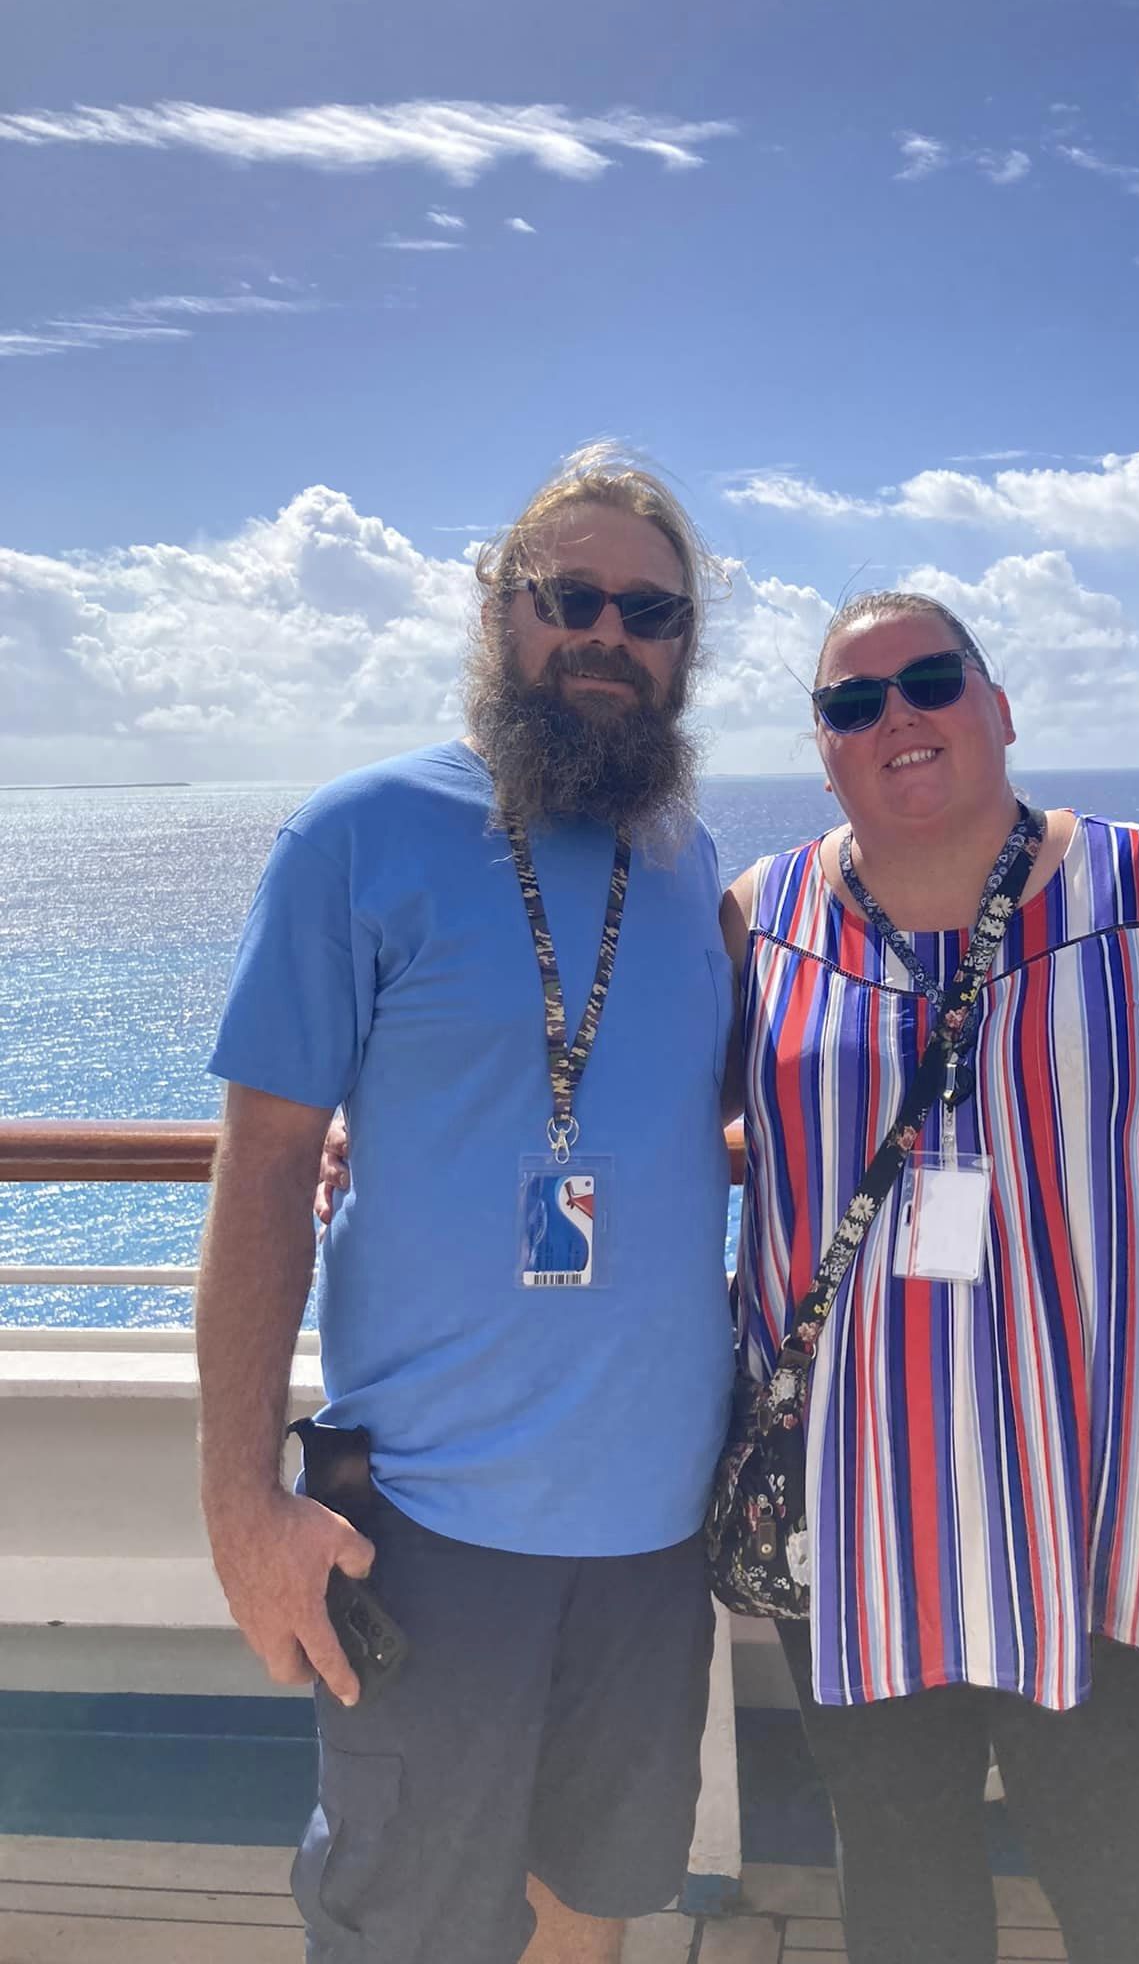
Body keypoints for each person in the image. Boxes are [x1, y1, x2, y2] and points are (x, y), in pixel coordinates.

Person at [719, 590, 1139, 1964]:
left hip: (1097, 1485)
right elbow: (653, 1123)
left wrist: (1134, 1226)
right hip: (855, 1505)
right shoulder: (759, 923)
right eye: (852, 701)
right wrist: (390, 1140)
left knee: (1135, 1884)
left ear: (998, 709)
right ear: (823, 749)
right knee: (899, 1878)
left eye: (931, 680)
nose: (897, 714)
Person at [196, 447, 738, 1964]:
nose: (611, 635)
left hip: (652, 1530)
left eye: (654, 611)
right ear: (499, 613)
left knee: (598, 1902)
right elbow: (262, 1184)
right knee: (409, 1928)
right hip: (427, 1529)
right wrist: (240, 1500)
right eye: (573, 597)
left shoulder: (690, 866)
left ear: (687, 647)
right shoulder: (355, 839)